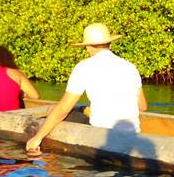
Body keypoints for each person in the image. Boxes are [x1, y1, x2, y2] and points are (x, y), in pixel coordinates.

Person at [26, 23, 148, 154]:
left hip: (101, 133)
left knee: (53, 110)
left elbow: (63, 110)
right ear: (110, 44)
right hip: (132, 132)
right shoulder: (130, 67)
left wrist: (37, 137)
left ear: (88, 47)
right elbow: (143, 107)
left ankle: (52, 163)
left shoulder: (83, 67)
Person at [0, 45, 40, 111]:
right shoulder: (17, 74)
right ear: (6, 57)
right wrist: (21, 94)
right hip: (12, 118)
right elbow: (35, 96)